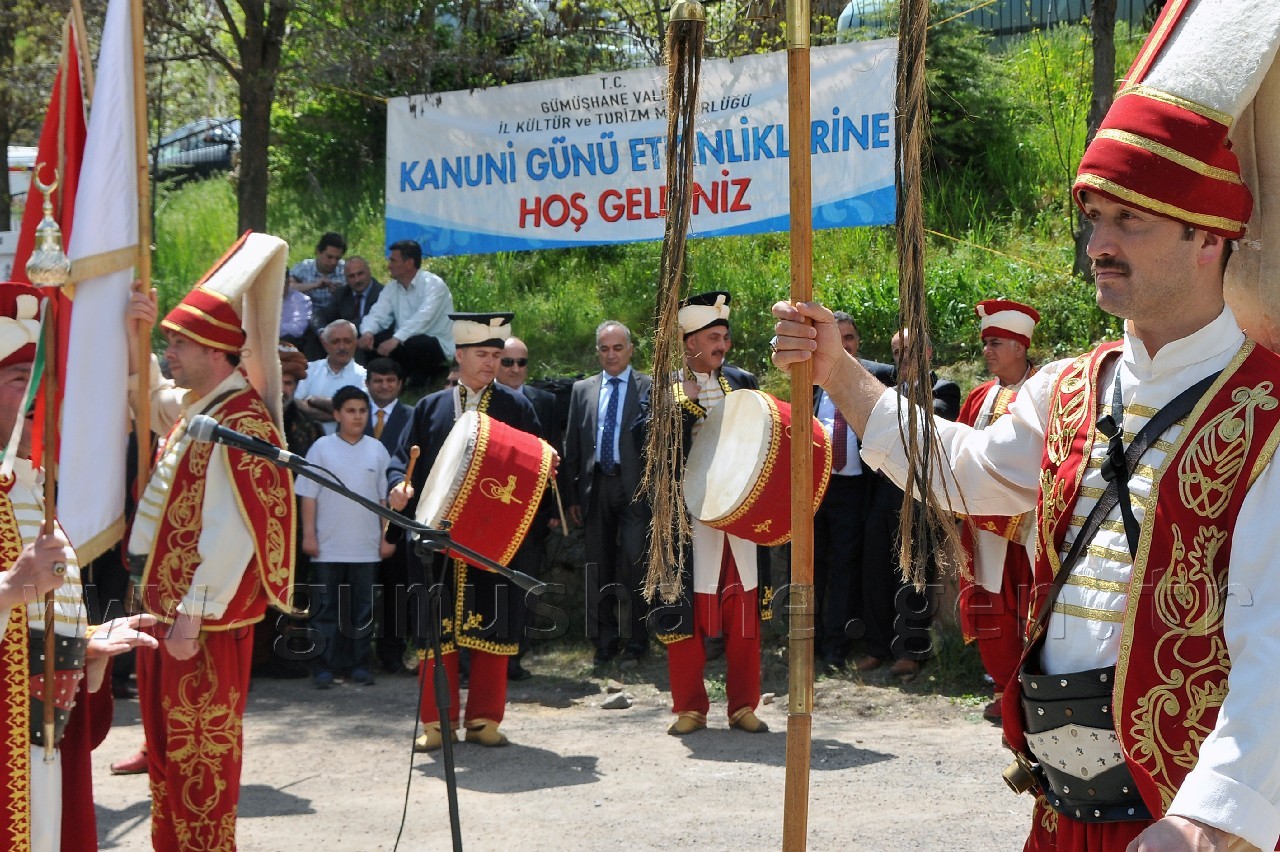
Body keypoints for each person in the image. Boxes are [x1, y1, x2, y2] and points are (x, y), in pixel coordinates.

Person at [770, 24, 1280, 844]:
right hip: (1061, 812)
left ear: (1208, 239)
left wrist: (1210, 821)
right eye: (1095, 220)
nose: (1099, 246)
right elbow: (965, 472)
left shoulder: (1270, 413)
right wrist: (838, 371)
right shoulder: (1073, 385)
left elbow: (1276, 651)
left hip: (1183, 826)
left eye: (1130, 223)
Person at [125, 233, 297, 852]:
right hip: (171, 613)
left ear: (218, 352)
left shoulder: (240, 424)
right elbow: (150, 399)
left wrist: (191, 619)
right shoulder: (205, 406)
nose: (170, 353)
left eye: (178, 343)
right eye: (168, 342)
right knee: (170, 757)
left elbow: (231, 537)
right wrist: (137, 335)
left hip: (203, 625)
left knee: (202, 761)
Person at [0, 281, 157, 851]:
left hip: (35, 734)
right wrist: (10, 589)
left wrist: (82, 645)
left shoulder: (29, 483)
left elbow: (34, 619)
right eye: (21, 381)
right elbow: (16, 596)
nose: (38, 395)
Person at [387, 312, 545, 751]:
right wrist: (398, 488)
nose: (491, 364)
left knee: (492, 623)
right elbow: (403, 465)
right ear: (460, 355)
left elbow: (538, 466)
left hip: (494, 536)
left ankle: (484, 719)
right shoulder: (429, 408)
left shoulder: (517, 408)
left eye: (497, 355)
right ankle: (437, 723)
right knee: (434, 630)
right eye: (482, 355)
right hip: (434, 541)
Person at [655, 291, 770, 736]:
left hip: (739, 520)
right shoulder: (662, 387)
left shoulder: (743, 381)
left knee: (743, 615)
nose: (722, 345)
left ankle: (743, 705)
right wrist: (680, 406)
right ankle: (689, 707)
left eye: (725, 336)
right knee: (685, 615)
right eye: (713, 337)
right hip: (687, 523)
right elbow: (645, 446)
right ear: (688, 342)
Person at [854, 328, 958, 678]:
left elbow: (935, 421)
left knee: (915, 574)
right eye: (896, 353)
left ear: (927, 353)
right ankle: (876, 647)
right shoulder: (889, 394)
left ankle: (910, 652)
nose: (903, 359)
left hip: (919, 497)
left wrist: (891, 410)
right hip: (884, 493)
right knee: (874, 572)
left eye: (910, 351)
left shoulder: (943, 388)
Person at [956, 299, 1040, 723]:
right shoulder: (977, 397)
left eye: (996, 342)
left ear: (1021, 346)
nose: (987, 350)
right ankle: (1004, 687)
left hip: (1031, 520)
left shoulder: (1047, 391)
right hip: (984, 523)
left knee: (1033, 601)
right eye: (985, 343)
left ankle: (1034, 689)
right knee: (991, 605)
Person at [562, 320, 652, 666]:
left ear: (630, 349)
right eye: (604, 348)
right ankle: (604, 641)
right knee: (597, 564)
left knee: (635, 562)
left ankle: (637, 641)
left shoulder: (649, 386)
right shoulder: (582, 390)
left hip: (634, 487)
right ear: (597, 351)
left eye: (617, 347)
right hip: (596, 484)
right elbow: (573, 445)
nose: (611, 354)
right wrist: (571, 496)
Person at [298, 385, 390, 688]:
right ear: (336, 414)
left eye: (363, 411)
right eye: (351, 410)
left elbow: (383, 501)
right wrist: (309, 536)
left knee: (363, 609)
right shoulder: (321, 448)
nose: (358, 417)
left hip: (365, 548)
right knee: (325, 608)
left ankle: (359, 664)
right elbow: (309, 496)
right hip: (328, 546)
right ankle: (323, 666)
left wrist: (385, 537)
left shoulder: (377, 450)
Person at [811, 312, 886, 670]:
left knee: (844, 568)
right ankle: (806, 646)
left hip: (856, 490)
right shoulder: (810, 382)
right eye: (836, 337)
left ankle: (835, 650)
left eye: (850, 337)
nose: (844, 344)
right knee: (812, 567)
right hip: (815, 488)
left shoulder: (874, 379)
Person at [495, 335, 558, 680]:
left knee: (525, 584)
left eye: (522, 362)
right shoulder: (486, 403)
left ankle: (516, 655)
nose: (516, 369)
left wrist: (549, 511)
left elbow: (554, 457)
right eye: (508, 362)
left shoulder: (545, 402)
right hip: (493, 505)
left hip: (532, 512)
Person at [362, 358, 415, 675]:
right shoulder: (353, 412)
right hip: (357, 513)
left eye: (390, 380)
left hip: (398, 516)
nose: (384, 386)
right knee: (355, 586)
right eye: (378, 380)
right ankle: (354, 651)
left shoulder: (412, 417)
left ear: (400, 383)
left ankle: (392, 653)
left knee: (397, 587)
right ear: (368, 383)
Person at [357, 239, 454, 387]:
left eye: (393, 261)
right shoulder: (392, 288)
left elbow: (423, 318)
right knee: (371, 338)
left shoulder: (434, 284)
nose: (389, 265)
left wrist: (396, 339)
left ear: (409, 263)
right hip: (403, 344)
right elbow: (378, 313)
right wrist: (368, 332)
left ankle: (420, 382)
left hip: (434, 346)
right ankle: (377, 379)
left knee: (417, 342)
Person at [295, 319, 368, 434]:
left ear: (355, 343)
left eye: (347, 341)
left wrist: (313, 400)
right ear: (325, 343)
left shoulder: (364, 376)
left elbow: (356, 410)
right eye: (336, 342)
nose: (342, 347)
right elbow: (296, 405)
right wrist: (340, 415)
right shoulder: (309, 370)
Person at [288, 231, 346, 330]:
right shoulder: (303, 268)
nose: (333, 262)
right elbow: (288, 287)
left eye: (337, 258)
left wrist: (340, 293)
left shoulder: (345, 269)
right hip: (307, 320)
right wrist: (315, 285)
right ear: (318, 252)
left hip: (337, 319)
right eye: (329, 257)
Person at [330, 255, 383, 336]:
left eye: (360, 274)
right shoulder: (341, 293)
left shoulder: (382, 293)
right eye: (351, 276)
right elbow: (324, 314)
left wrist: (344, 328)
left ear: (369, 272)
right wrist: (322, 330)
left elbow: (375, 320)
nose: (357, 280)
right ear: (345, 278)